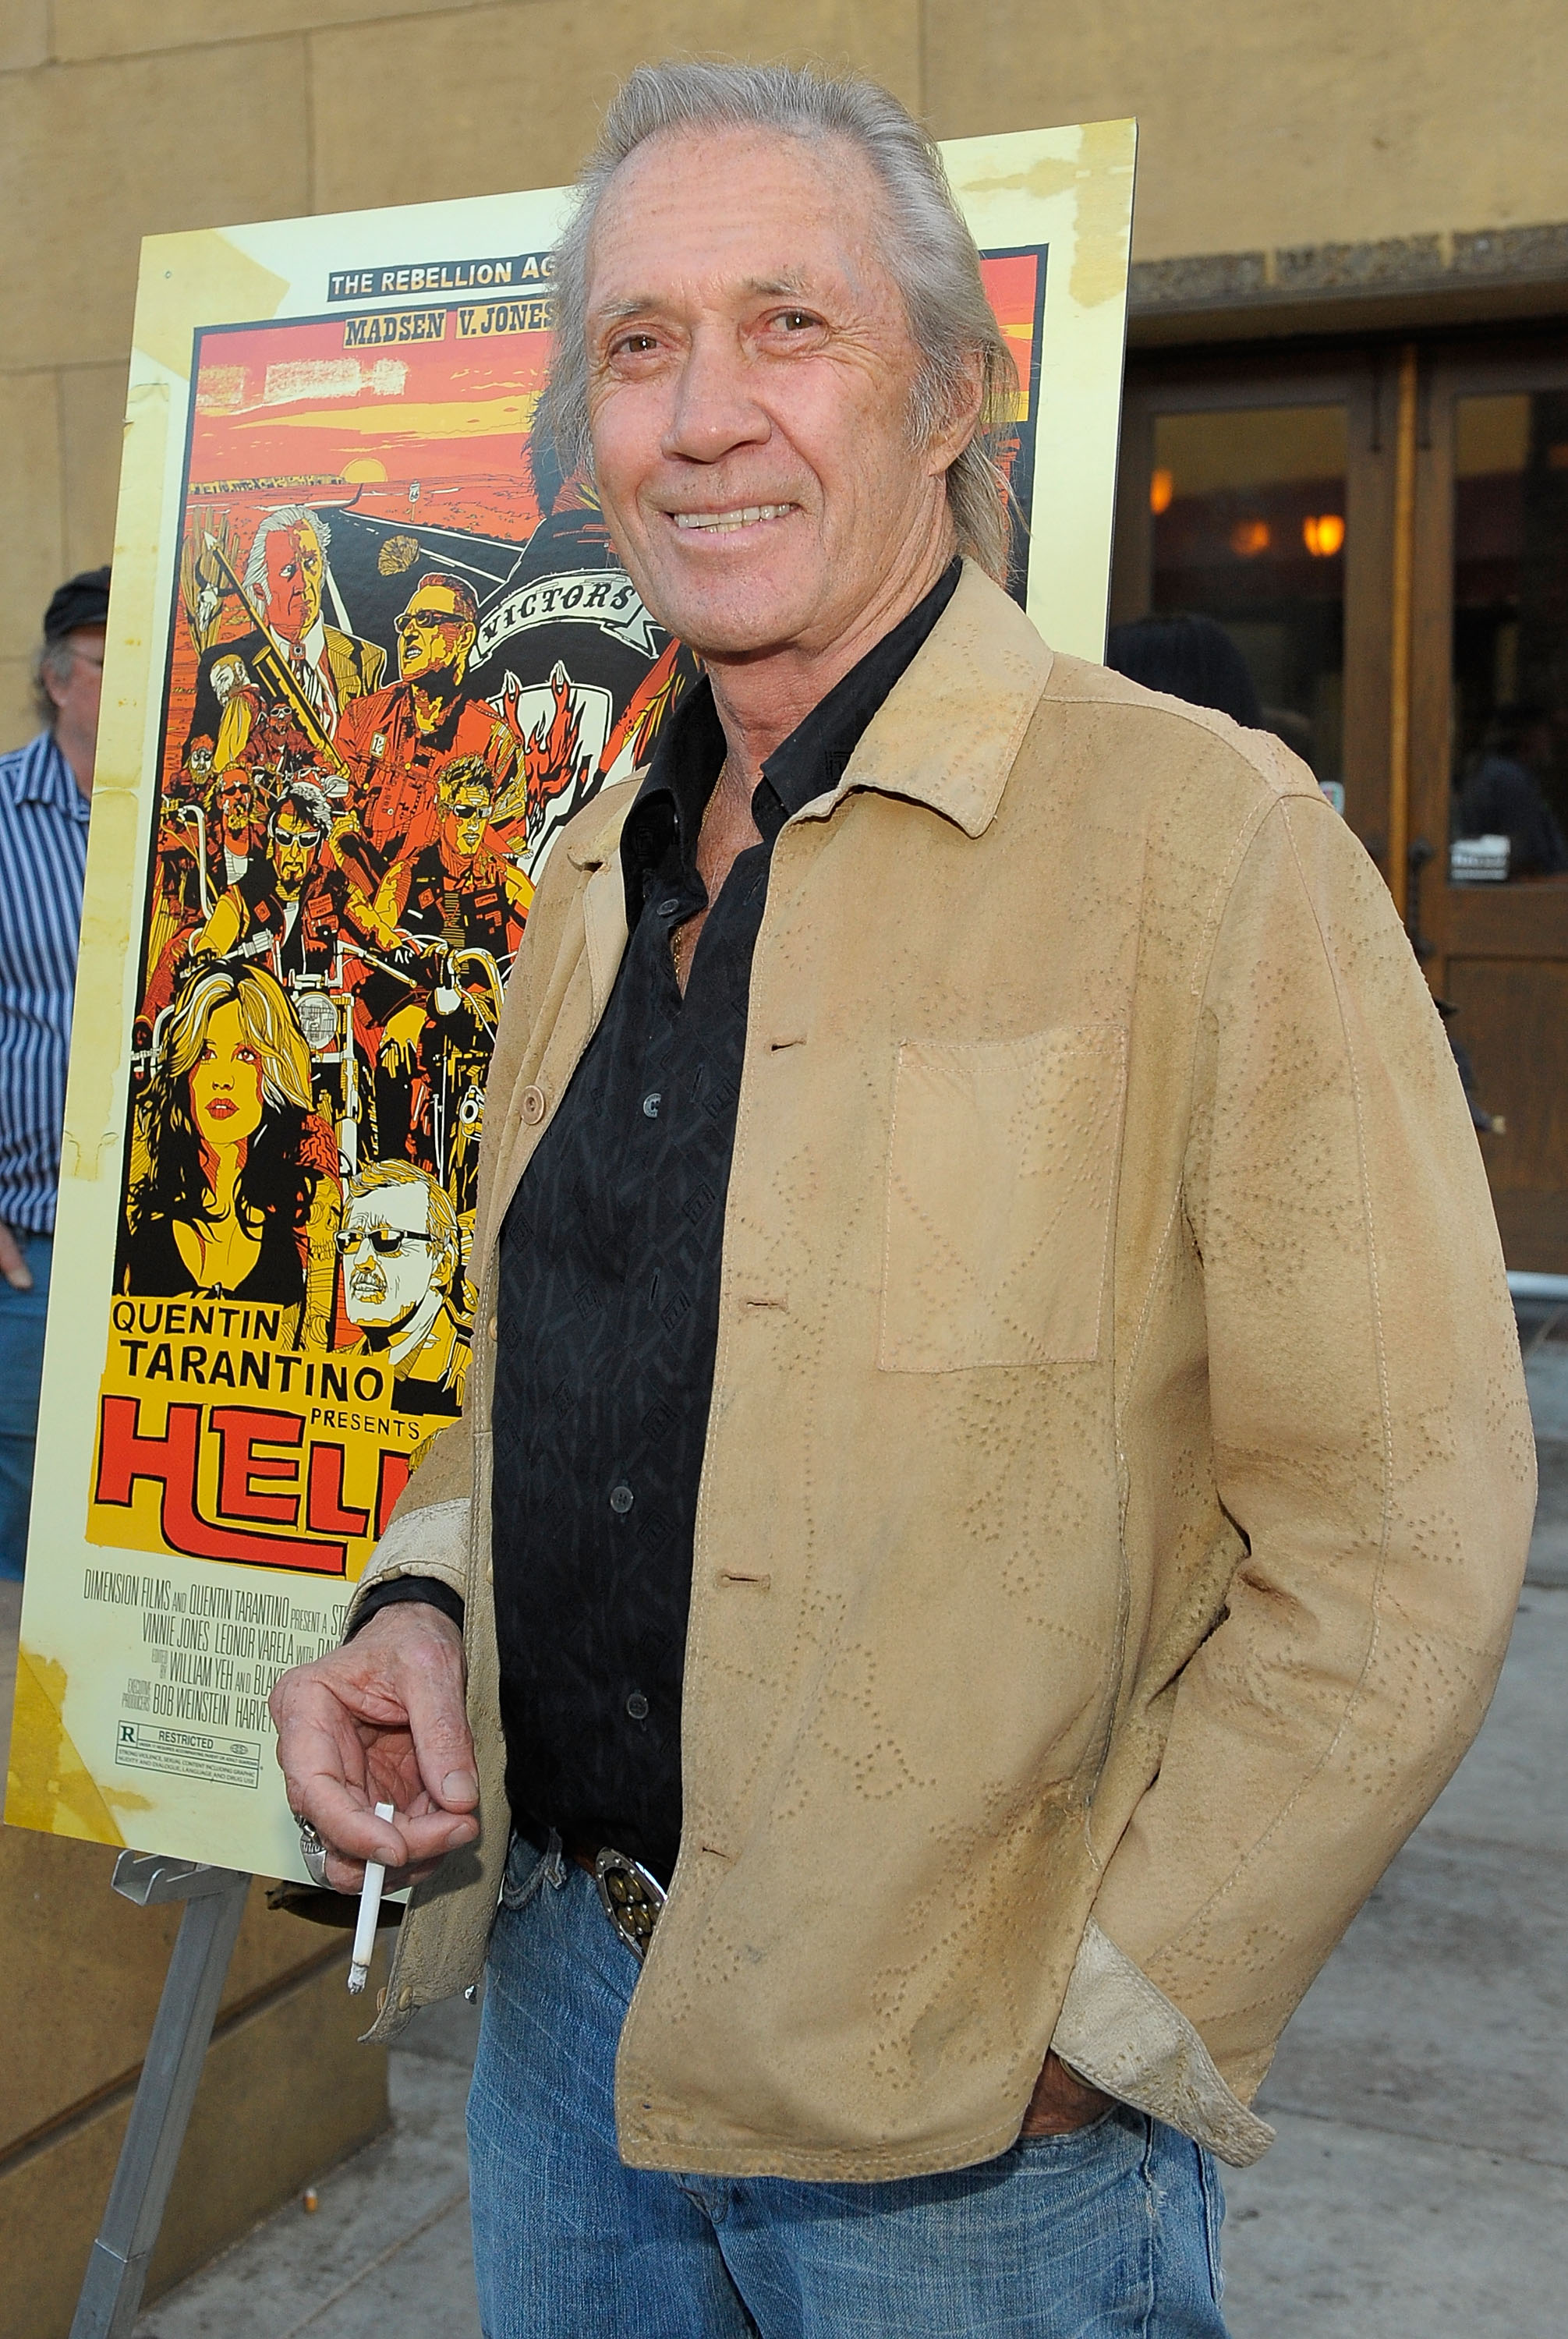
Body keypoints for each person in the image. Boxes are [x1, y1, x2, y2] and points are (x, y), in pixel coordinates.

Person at [272, 63, 1534, 2339]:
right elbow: (549, 1381)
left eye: (789, 326)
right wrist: (423, 1617)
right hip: (564, 2020)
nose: (703, 412)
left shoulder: (1198, 845)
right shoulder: (584, 880)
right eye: (642, 343)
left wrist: (1104, 2027)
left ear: (948, 388)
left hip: (966, 2142)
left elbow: (1404, 1527)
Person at [0, 566, 108, 1577]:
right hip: (30, 1242)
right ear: (55, 678)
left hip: (173, 1246)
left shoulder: (196, 812)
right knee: (28, 1519)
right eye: (104, 664)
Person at [119, 961, 339, 1349]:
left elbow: (319, 1346)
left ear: (274, 1071)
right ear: (186, 1070)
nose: (221, 1077)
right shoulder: (147, 1183)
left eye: (245, 1056)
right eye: (205, 1054)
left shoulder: (306, 1198)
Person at [334, 571, 518, 880]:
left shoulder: (493, 742)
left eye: (428, 620)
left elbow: (500, 862)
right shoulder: (362, 716)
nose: (410, 632)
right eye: (405, 623)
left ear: (464, 636)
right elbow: (332, 814)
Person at [187, 507, 384, 758]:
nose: (303, 583)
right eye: (288, 570)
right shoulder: (228, 663)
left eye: (311, 563)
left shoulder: (365, 659)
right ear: (260, 589)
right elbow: (198, 759)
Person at [334, 1159, 470, 1415]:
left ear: (442, 1263)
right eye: (351, 1239)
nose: (361, 1260)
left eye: (387, 1239)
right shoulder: (335, 1370)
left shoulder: (472, 1371)